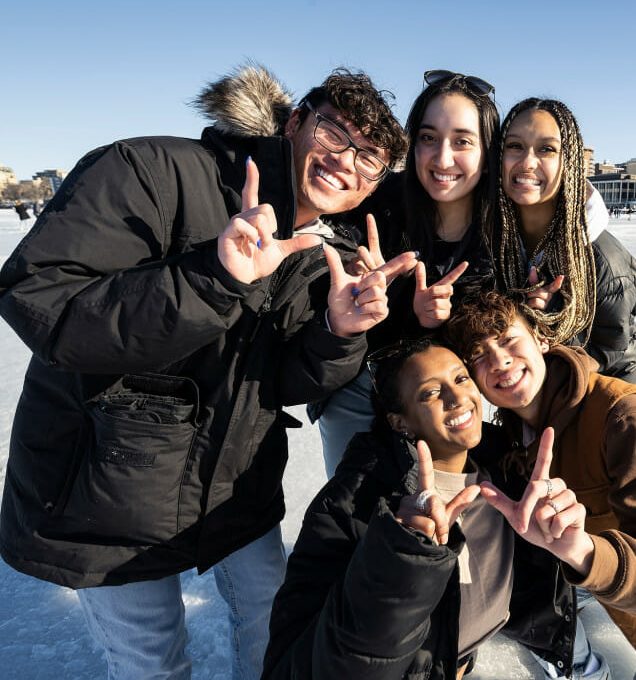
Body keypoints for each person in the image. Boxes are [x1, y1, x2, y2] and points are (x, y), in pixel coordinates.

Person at [0, 64, 415, 679]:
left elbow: (283, 383)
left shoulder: (319, 247)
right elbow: (42, 298)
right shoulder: (154, 172)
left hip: (234, 487)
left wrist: (337, 332)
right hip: (105, 491)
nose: (346, 160)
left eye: (370, 157)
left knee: (272, 630)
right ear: (293, 122)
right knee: (154, 664)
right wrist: (211, 279)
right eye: (334, 132)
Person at [446, 292, 636, 680]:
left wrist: (584, 550)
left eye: (508, 339)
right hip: (616, 566)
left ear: (542, 338)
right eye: (477, 355)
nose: (499, 360)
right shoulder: (519, 430)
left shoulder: (624, 418)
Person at [263, 338, 594, 679]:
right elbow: (300, 665)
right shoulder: (353, 506)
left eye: (461, 378)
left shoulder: (506, 472)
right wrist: (403, 558)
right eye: (431, 393)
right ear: (399, 422)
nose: (456, 397)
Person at [311, 69, 500, 476]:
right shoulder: (373, 202)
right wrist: (367, 290)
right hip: (361, 388)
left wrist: (437, 322)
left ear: (488, 154)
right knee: (355, 521)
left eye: (463, 141)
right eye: (429, 138)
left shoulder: (504, 233)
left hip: (448, 400)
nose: (442, 158)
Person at [489, 98, 636, 384]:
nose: (527, 162)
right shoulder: (493, 241)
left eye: (547, 149)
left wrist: (555, 327)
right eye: (515, 146)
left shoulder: (604, 260)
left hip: (579, 414)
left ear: (567, 161)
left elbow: (615, 361)